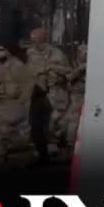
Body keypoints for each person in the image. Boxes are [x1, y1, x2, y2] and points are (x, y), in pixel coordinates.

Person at [25, 28, 71, 164]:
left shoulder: (56, 53)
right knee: (35, 125)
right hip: (36, 93)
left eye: (35, 37)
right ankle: (42, 154)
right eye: (31, 37)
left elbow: (68, 71)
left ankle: (61, 150)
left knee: (53, 124)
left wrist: (51, 67)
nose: (32, 39)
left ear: (43, 38)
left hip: (53, 93)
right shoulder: (30, 53)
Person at [0, 41, 36, 165]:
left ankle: (21, 159)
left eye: (1, 50)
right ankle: (0, 158)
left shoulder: (17, 66)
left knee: (16, 134)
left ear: (8, 51)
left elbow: (29, 84)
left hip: (12, 103)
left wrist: (22, 101)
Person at [62, 44, 87, 155]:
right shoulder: (72, 64)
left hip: (86, 95)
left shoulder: (92, 64)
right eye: (83, 53)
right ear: (78, 53)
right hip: (75, 95)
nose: (85, 56)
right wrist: (80, 69)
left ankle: (71, 144)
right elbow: (69, 77)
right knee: (70, 120)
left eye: (86, 54)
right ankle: (69, 144)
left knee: (76, 120)